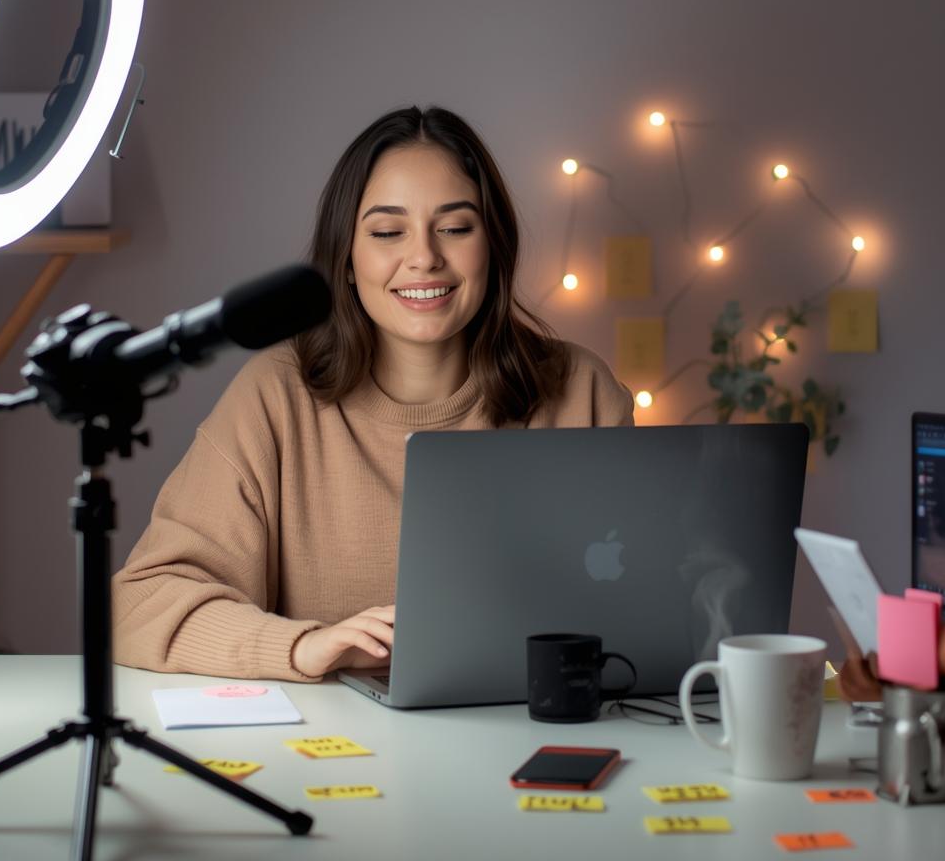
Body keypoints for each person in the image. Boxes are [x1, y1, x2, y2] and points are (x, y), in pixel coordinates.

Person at [111, 106, 634, 682]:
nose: (424, 257)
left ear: (495, 247)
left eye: (456, 228)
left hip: (539, 732)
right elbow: (140, 606)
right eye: (388, 232)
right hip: (336, 759)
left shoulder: (581, 390)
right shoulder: (275, 397)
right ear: (349, 261)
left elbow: (654, 593)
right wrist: (304, 647)